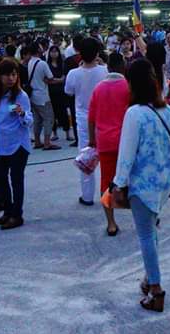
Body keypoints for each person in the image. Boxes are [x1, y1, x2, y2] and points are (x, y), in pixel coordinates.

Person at [110, 59, 170, 312]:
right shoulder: (169, 111)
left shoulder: (134, 114)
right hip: (163, 183)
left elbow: (126, 154)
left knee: (146, 236)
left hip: (143, 185)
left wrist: (118, 184)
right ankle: (149, 277)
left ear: (131, 83)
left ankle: (155, 289)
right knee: (151, 231)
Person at [0, 58, 32, 230]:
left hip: (18, 144)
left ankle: (17, 215)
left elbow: (29, 121)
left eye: (13, 74)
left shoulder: (20, 96)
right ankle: (8, 211)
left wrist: (22, 113)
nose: (11, 78)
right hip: (1, 145)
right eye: (7, 75)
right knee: (0, 179)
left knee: (16, 180)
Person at [88, 52, 130, 236]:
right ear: (122, 66)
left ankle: (111, 223)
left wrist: (92, 141)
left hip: (105, 142)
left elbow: (91, 119)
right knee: (135, 179)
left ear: (108, 67)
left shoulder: (98, 89)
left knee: (107, 183)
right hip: (127, 141)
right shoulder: (128, 86)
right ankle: (145, 214)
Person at [65, 38, 108, 205]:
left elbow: (68, 91)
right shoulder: (105, 71)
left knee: (86, 157)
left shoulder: (73, 74)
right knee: (107, 157)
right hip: (103, 118)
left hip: (83, 120)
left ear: (80, 54)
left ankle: (87, 196)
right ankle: (109, 195)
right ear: (97, 53)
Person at [22, 42, 59, 151]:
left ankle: (37, 141)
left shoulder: (30, 62)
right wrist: (60, 80)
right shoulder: (42, 63)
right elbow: (50, 78)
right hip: (43, 96)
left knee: (37, 119)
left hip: (33, 95)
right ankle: (47, 142)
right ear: (38, 50)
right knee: (49, 118)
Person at [45, 46, 73, 143]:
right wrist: (58, 80)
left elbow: (64, 78)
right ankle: (54, 133)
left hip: (61, 91)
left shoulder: (62, 64)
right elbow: (47, 79)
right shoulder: (47, 65)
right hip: (51, 92)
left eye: (55, 51)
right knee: (52, 113)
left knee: (63, 112)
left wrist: (55, 80)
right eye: (52, 51)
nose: (54, 53)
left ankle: (68, 133)